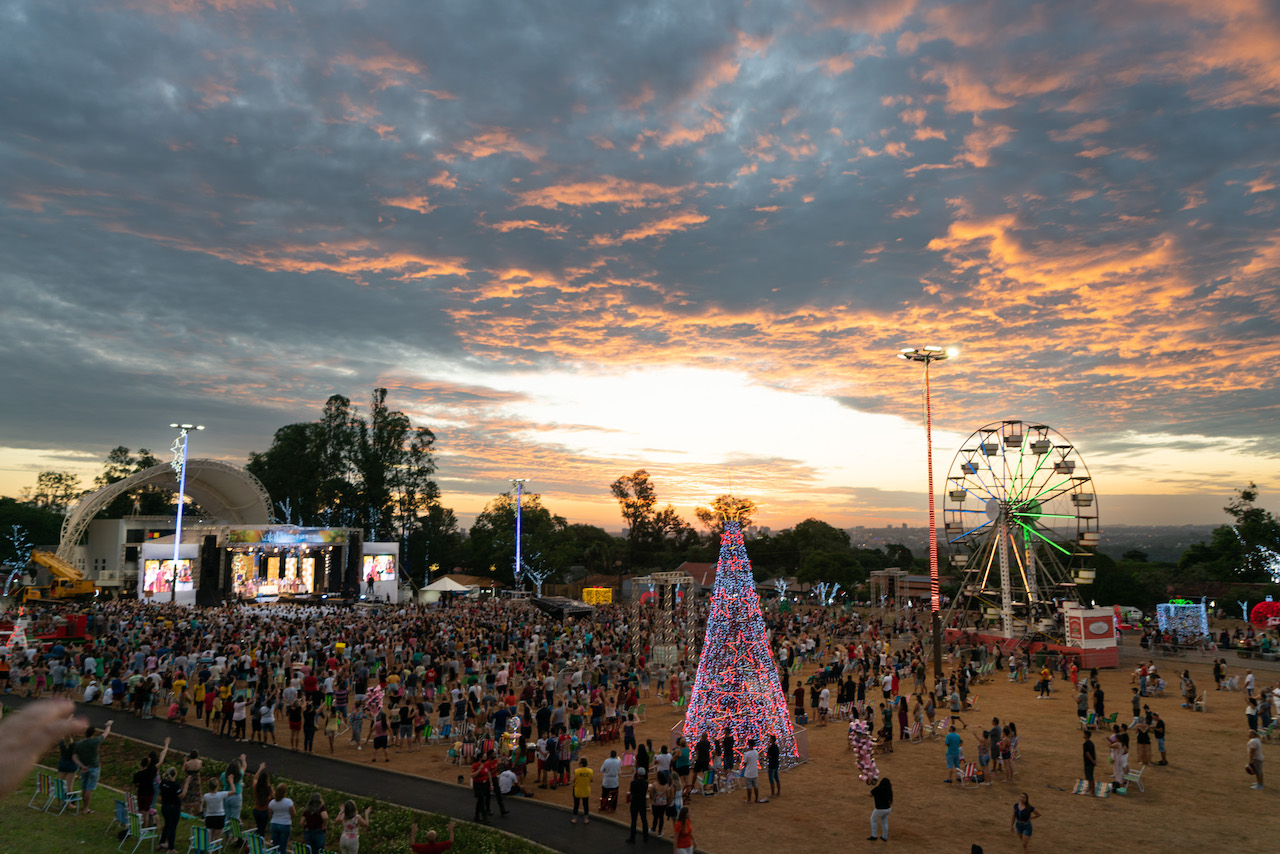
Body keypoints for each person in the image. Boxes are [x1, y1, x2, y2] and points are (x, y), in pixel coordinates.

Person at [72, 718, 114, 813]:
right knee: (89, 789)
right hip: (94, 767)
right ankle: (86, 808)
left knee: (84, 787)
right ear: (92, 733)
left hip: (84, 768)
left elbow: (74, 757)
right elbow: (105, 734)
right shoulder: (95, 742)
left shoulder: (79, 744)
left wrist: (82, 766)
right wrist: (108, 725)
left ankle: (84, 806)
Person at [157, 767, 184, 851]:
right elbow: (181, 795)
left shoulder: (163, 783)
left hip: (165, 807)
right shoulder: (175, 785)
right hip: (173, 808)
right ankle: (171, 848)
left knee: (167, 825)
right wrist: (186, 784)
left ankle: (161, 843)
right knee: (172, 827)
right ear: (175, 774)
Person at [268, 782, 297, 850]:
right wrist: (290, 819)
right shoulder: (288, 802)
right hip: (285, 824)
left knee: (275, 845)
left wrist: (274, 819)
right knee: (283, 845)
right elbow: (293, 813)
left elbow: (269, 814)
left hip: (274, 824)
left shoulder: (272, 803)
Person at [202, 777, 231, 842]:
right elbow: (234, 791)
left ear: (209, 786)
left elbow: (202, 802)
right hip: (219, 817)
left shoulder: (206, 796)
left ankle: (209, 851)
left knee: (210, 837)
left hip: (209, 817)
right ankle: (217, 851)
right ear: (217, 786)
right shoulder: (221, 794)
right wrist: (231, 782)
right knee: (217, 837)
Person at [627, 765, 650, 843]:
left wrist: (633, 775)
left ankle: (632, 838)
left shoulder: (634, 783)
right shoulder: (646, 783)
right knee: (644, 820)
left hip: (634, 802)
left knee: (634, 820)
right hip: (642, 802)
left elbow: (631, 788)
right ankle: (646, 837)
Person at [868, 776, 892, 841]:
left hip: (879, 810)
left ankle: (874, 836)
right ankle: (884, 837)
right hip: (888, 809)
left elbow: (870, 794)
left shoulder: (877, 789)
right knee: (884, 822)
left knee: (873, 820)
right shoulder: (888, 790)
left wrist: (871, 787)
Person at [571, 757, 592, 823]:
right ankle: (586, 819)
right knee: (585, 804)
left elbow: (574, 780)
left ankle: (574, 818)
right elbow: (591, 780)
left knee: (576, 804)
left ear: (581, 764)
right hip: (586, 790)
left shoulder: (576, 771)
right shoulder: (590, 771)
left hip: (577, 790)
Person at [741, 738, 760, 803]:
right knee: (755, 785)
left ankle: (749, 799)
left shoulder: (747, 754)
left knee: (749, 786)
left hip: (748, 773)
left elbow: (745, 763)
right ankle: (756, 799)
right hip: (754, 772)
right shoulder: (756, 752)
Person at [1082, 730, 1097, 795]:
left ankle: (1092, 792)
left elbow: (1087, 753)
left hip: (1089, 762)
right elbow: (1094, 752)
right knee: (1089, 777)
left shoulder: (1086, 744)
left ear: (1086, 735)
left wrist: (1092, 761)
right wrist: (1094, 760)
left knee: (1090, 778)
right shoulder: (1091, 743)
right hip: (1091, 762)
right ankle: (1090, 789)